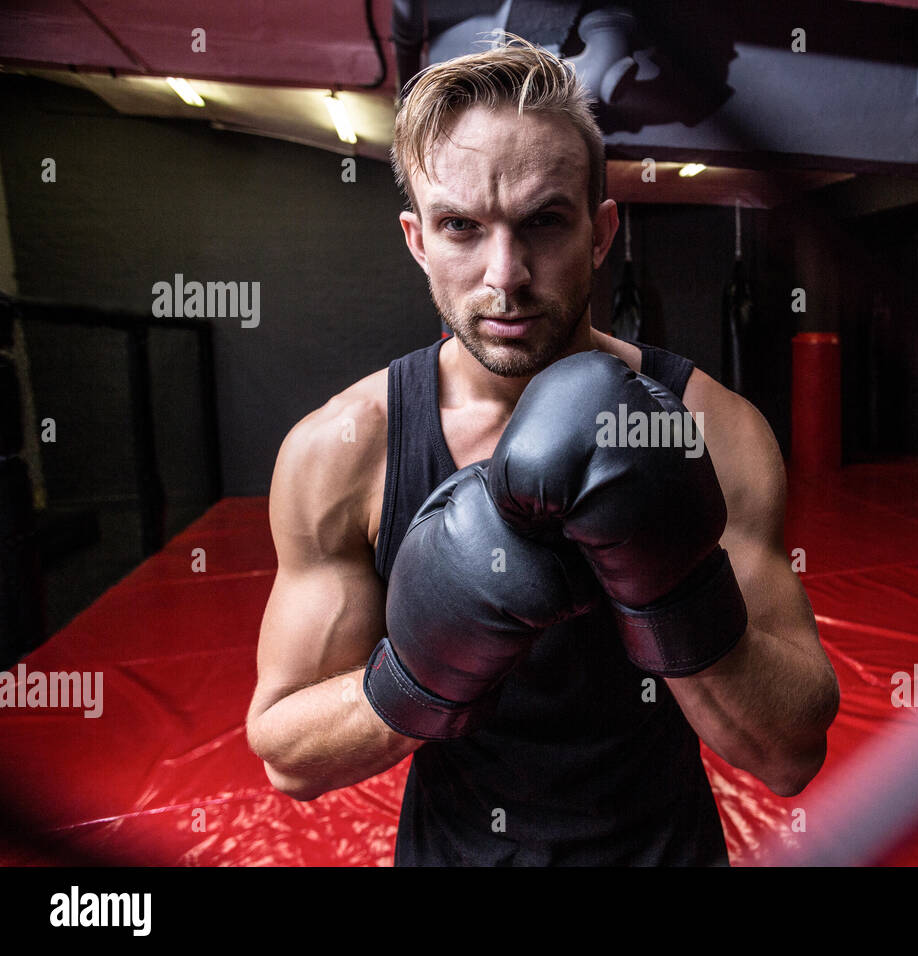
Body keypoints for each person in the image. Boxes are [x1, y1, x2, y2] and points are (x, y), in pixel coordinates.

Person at [244, 35, 839, 866]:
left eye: (542, 222)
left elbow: (789, 753)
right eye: (460, 227)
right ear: (418, 240)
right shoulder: (341, 453)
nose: (505, 274)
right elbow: (284, 755)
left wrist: (670, 595)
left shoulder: (713, 429)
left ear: (600, 233)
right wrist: (417, 675)